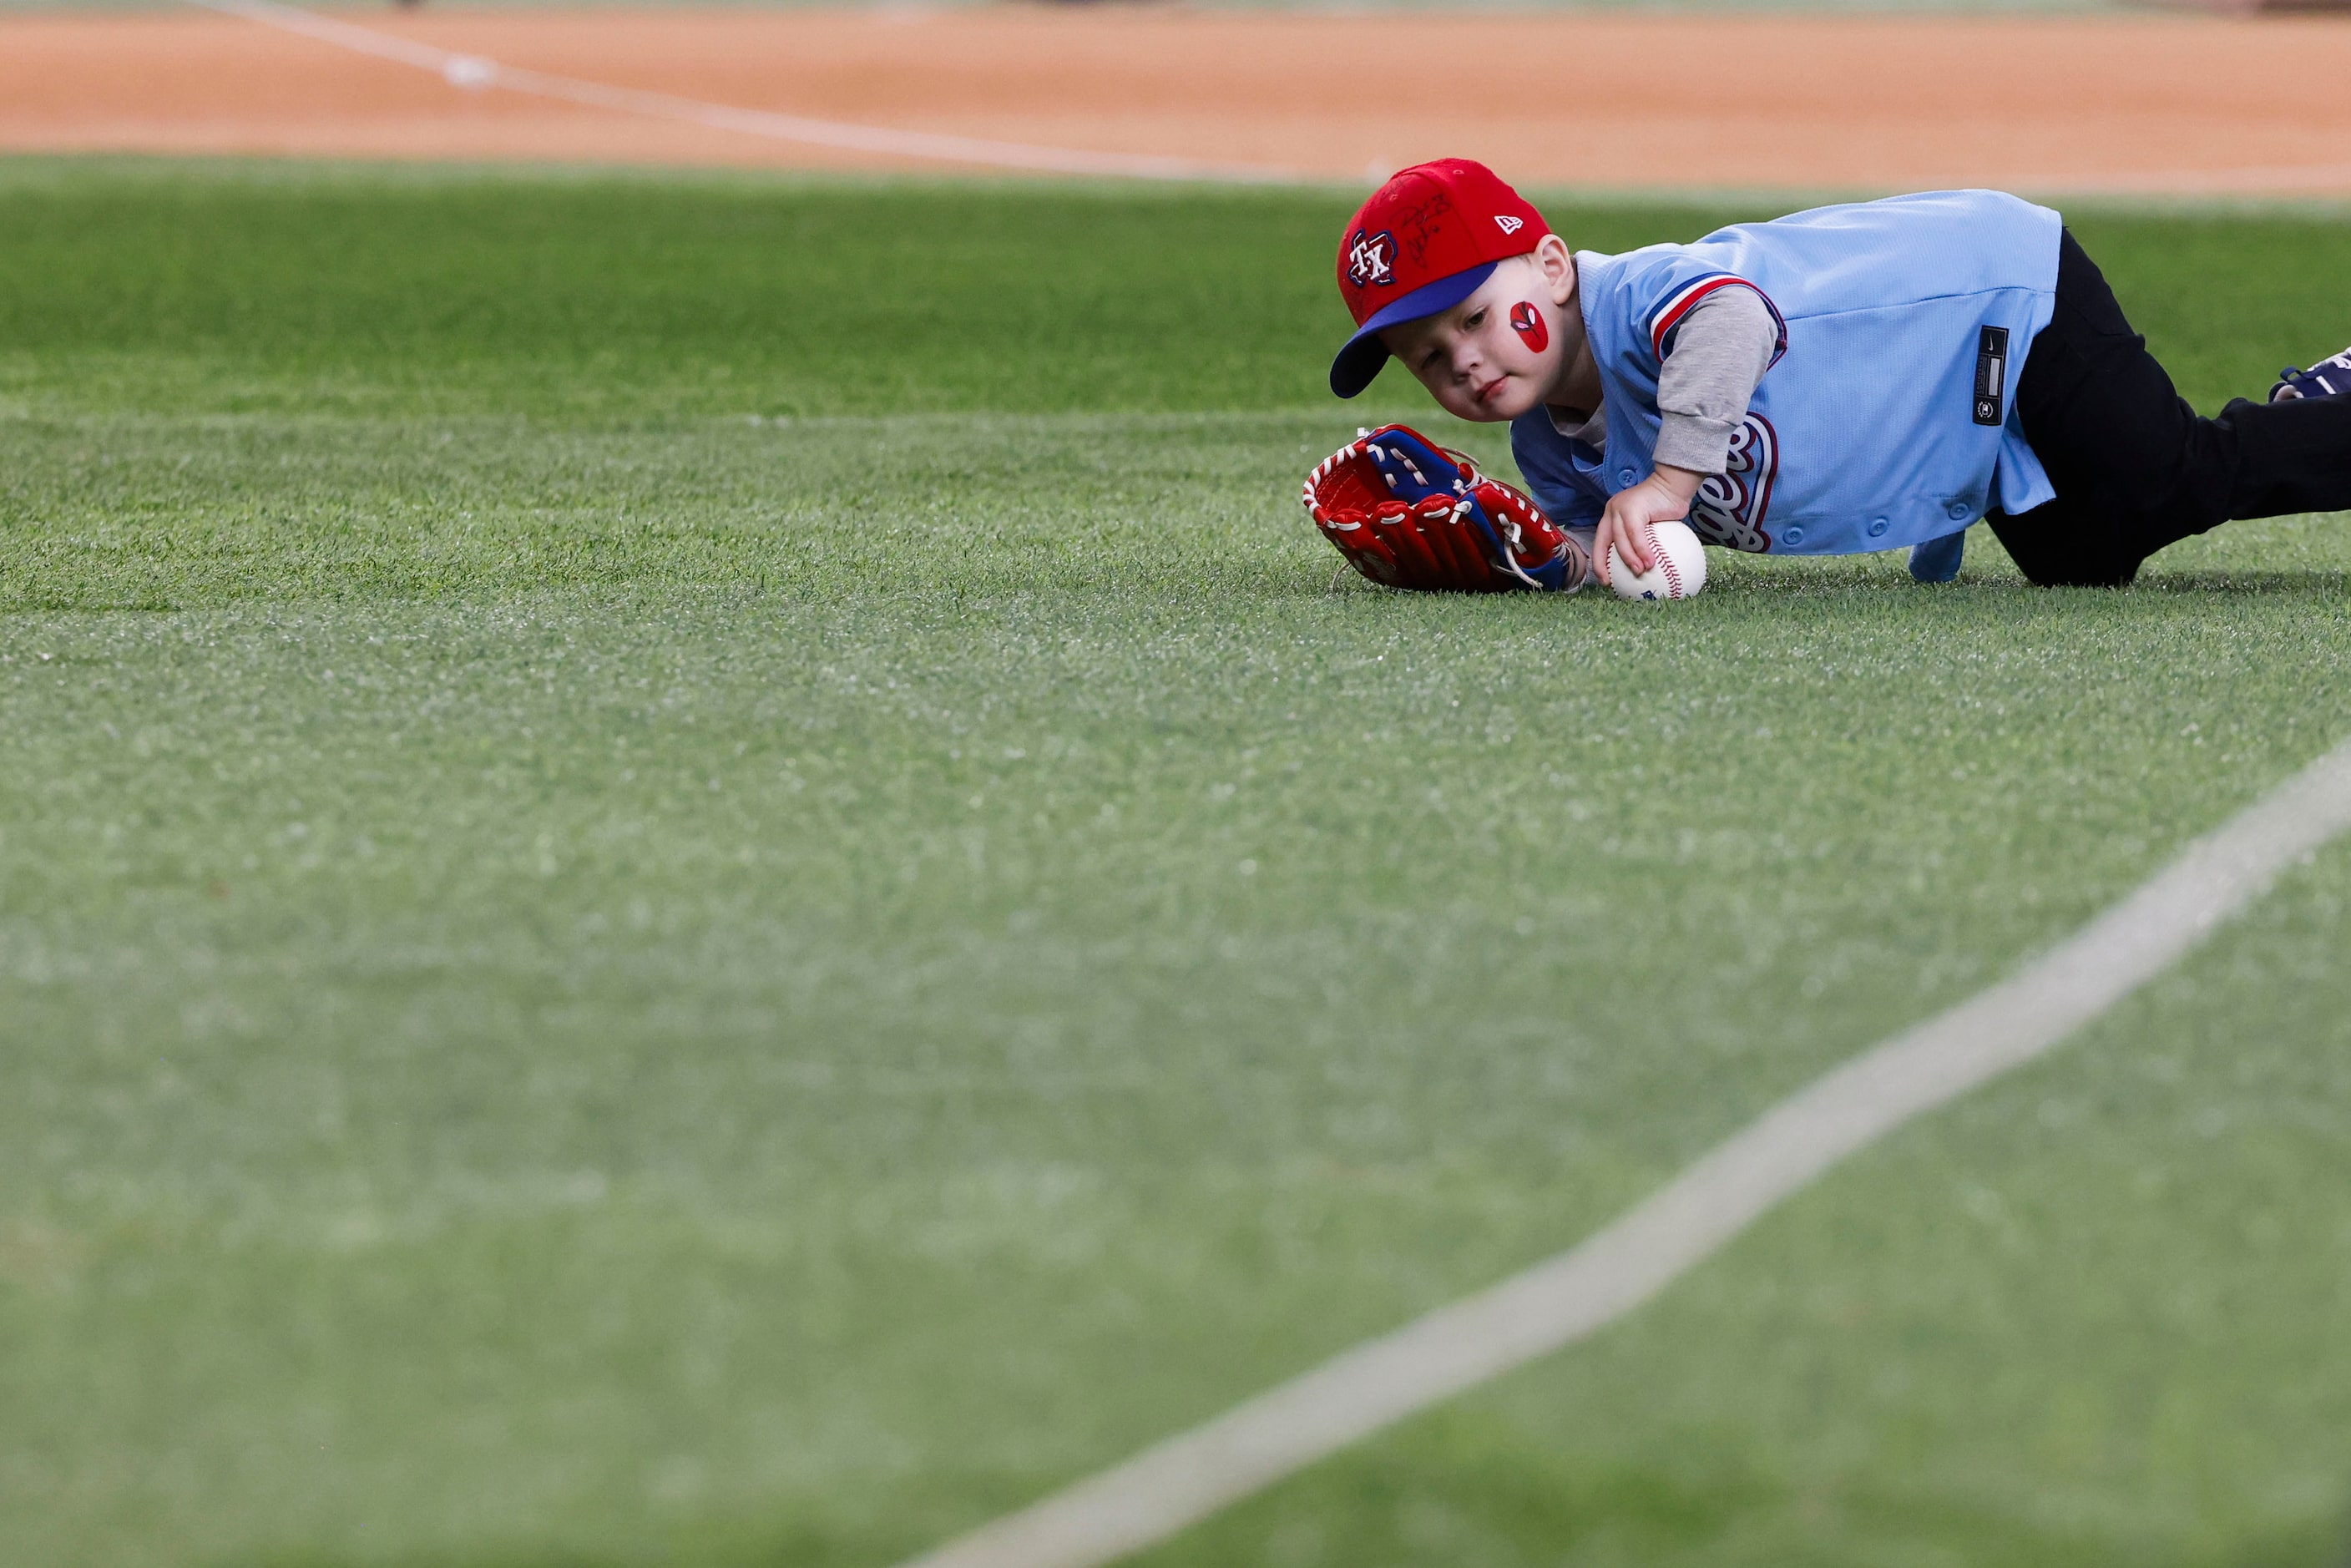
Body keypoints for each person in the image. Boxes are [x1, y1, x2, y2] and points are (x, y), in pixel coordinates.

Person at [1327, 159, 2351, 590]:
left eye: (1469, 315)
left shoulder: (1641, 297)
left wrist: (1668, 484)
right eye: (1426, 356)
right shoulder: (1545, 444)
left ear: (1551, 268)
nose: (1462, 358)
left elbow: (1729, 320)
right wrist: (1527, 563)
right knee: (2084, 558)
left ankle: (2322, 412)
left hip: (1989, 295)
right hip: (1952, 408)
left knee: (2171, 478)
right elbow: (1600, 544)